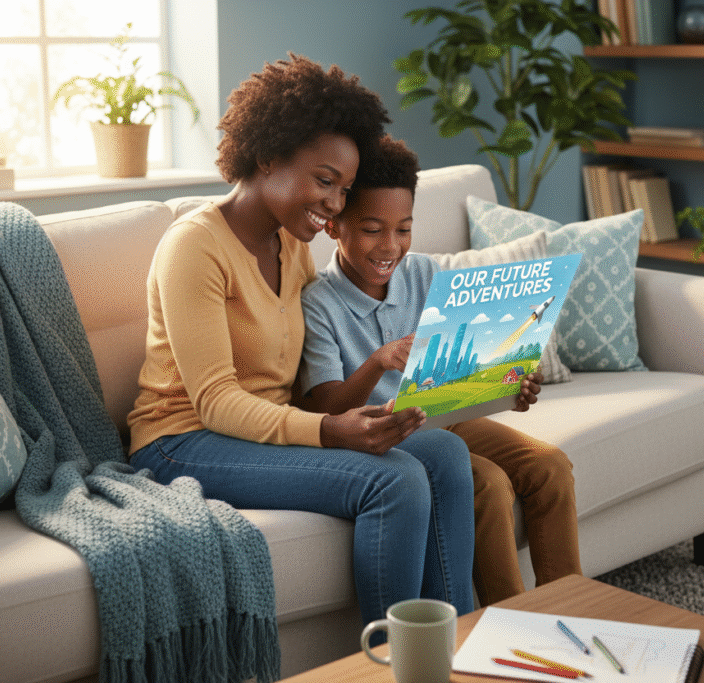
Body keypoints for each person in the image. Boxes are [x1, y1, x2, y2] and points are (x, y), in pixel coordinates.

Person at [127, 55, 476, 625]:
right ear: (267, 157)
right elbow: (214, 401)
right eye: (324, 181)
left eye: (343, 189)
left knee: (444, 452)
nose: (335, 205)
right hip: (181, 440)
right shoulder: (194, 246)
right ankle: (387, 663)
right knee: (395, 481)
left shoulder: (291, 241)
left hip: (259, 430)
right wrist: (329, 431)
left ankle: (457, 643)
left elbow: (308, 373)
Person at [299, 134, 583, 606]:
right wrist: (377, 362)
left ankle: (566, 612)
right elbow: (325, 408)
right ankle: (508, 628)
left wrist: (511, 383)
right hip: (387, 438)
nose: (390, 246)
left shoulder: (425, 274)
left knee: (549, 465)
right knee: (487, 484)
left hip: (447, 418)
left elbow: (464, 368)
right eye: (372, 229)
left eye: (403, 229)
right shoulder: (319, 303)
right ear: (334, 226)